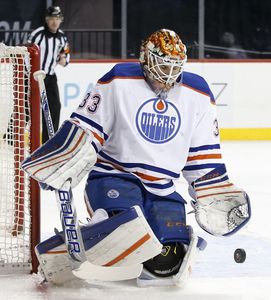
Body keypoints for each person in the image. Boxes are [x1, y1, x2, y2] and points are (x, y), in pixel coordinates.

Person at [22, 29, 251, 285]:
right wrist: (63, 159)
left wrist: (212, 191)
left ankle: (126, 249)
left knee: (169, 256)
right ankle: (99, 226)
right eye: (163, 66)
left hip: (162, 188)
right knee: (124, 225)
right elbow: (87, 129)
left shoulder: (198, 93)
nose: (168, 76)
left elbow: (203, 155)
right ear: (146, 59)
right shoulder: (118, 80)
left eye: (175, 68)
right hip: (114, 176)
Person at [27, 6, 70, 143]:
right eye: (52, 18)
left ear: (61, 20)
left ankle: (48, 141)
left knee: (54, 107)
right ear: (47, 20)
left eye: (57, 19)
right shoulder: (37, 34)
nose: (54, 22)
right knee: (26, 107)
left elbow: (66, 57)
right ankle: (11, 139)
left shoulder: (62, 37)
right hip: (33, 76)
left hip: (50, 77)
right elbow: (26, 53)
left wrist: (63, 59)